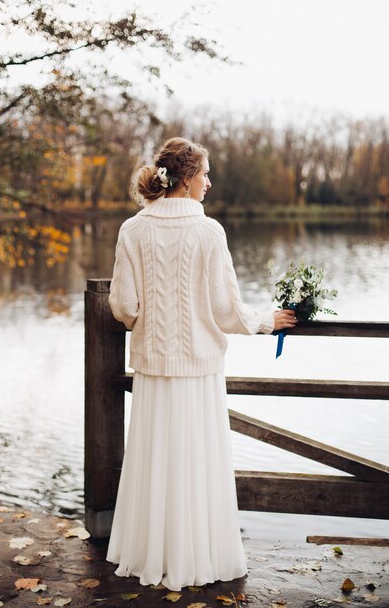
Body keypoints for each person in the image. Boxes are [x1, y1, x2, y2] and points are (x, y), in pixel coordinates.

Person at [105, 137, 297, 591]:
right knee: (197, 460)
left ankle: (150, 556)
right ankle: (198, 557)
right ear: (188, 179)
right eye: (205, 174)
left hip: (154, 368)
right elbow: (225, 309)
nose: (209, 183)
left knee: (155, 460)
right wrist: (266, 321)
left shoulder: (132, 230)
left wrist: (149, 322)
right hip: (199, 368)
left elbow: (124, 306)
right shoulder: (209, 233)